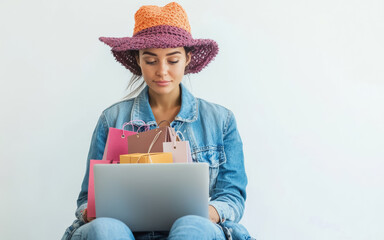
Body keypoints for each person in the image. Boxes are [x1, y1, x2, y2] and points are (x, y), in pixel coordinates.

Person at [61, 2, 253, 240]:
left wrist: (206, 212)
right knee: (105, 229)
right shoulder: (112, 119)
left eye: (172, 60)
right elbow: (86, 199)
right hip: (124, 231)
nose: (162, 71)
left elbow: (232, 197)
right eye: (151, 61)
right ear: (138, 60)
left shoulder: (221, 120)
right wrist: (95, 212)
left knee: (193, 226)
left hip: (195, 231)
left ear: (187, 59)